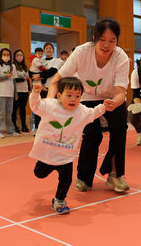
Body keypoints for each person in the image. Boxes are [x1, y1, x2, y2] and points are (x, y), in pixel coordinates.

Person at [48, 17, 130, 193]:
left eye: (112, 41)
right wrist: (49, 103)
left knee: (119, 130)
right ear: (94, 36)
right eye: (102, 40)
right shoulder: (81, 52)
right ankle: (84, 177)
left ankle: (115, 174)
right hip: (86, 98)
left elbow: (121, 92)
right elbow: (57, 79)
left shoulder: (121, 57)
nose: (107, 45)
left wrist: (114, 103)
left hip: (112, 98)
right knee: (92, 136)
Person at [29, 77, 106, 214]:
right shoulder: (50, 106)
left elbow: (93, 113)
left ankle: (59, 200)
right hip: (47, 154)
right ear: (59, 96)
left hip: (65, 156)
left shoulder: (81, 111)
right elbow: (36, 106)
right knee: (39, 174)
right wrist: (35, 94)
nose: (73, 99)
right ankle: (43, 167)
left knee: (66, 180)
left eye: (77, 96)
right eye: (69, 95)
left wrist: (104, 106)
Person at [0, 48, 18, 138]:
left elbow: (14, 80)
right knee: (0, 113)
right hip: (0, 93)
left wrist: (16, 93)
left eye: (8, 55)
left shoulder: (13, 66)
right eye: (4, 54)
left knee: (9, 113)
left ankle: (10, 131)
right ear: (1, 56)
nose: (6, 56)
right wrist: (6, 77)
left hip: (10, 93)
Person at [12, 49, 30, 133]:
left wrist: (29, 89)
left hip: (25, 90)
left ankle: (24, 126)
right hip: (17, 91)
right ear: (14, 57)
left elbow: (27, 79)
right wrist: (23, 79)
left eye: (21, 55)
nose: (19, 57)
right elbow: (13, 79)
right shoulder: (13, 66)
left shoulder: (24, 67)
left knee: (23, 109)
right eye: (17, 55)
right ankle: (14, 126)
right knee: (14, 109)